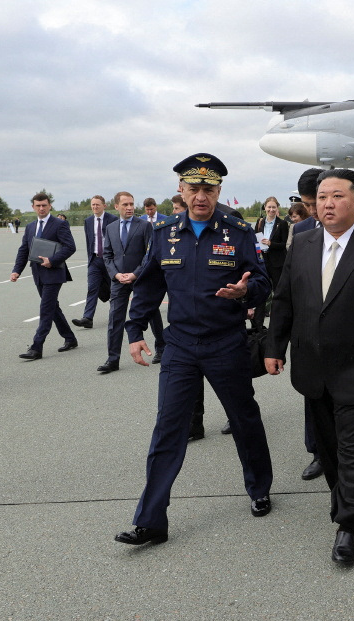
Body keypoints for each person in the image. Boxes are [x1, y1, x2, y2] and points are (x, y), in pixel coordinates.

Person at [114, 154, 274, 546]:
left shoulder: (236, 231)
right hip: (181, 346)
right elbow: (149, 286)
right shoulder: (165, 232)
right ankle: (151, 520)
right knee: (168, 430)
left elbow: (263, 281)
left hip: (226, 343)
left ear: (219, 192)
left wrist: (246, 290)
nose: (201, 196)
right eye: (194, 189)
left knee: (244, 419)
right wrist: (134, 330)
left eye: (209, 189)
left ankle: (259, 488)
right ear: (181, 192)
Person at [265, 168, 354, 566]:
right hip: (312, 365)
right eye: (323, 197)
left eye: (337, 196)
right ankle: (342, 493)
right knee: (329, 446)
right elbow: (284, 300)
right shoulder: (304, 242)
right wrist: (274, 346)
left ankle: (348, 524)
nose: (328, 204)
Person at [285, 168, 326, 480]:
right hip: (310, 332)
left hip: (349, 334)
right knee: (313, 397)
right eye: (308, 204)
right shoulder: (300, 234)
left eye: (317, 202)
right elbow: (289, 286)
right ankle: (317, 452)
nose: (314, 211)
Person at [97, 192, 165, 373]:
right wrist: (116, 275)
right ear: (116, 206)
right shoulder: (110, 228)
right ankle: (113, 359)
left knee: (151, 313)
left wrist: (135, 274)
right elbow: (108, 256)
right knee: (115, 319)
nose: (129, 208)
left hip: (141, 278)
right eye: (125, 204)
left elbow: (149, 254)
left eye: (132, 204)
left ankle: (161, 348)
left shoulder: (144, 226)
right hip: (119, 280)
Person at [10, 193, 78, 359]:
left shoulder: (59, 224)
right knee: (52, 308)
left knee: (46, 309)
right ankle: (70, 338)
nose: (41, 208)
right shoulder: (31, 227)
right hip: (38, 274)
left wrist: (52, 260)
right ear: (33, 207)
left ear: (50, 206)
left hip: (54, 273)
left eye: (44, 205)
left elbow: (70, 247)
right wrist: (17, 270)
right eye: (38, 206)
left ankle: (36, 348)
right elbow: (24, 250)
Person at [73, 195, 118, 329]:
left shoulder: (113, 219)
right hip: (94, 260)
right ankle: (87, 318)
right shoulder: (88, 221)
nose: (95, 207)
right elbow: (89, 241)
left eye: (97, 204)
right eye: (93, 205)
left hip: (110, 260)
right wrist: (90, 259)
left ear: (104, 206)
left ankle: (115, 315)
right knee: (92, 288)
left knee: (113, 289)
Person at [252, 196, 289, 329]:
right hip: (263, 260)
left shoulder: (282, 224)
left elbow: (284, 244)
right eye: (269, 207)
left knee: (277, 292)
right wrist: (257, 254)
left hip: (277, 262)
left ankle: (278, 322)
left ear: (277, 208)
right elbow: (256, 240)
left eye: (274, 207)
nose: (271, 210)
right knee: (261, 291)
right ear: (265, 208)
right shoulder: (260, 222)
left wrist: (271, 243)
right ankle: (258, 325)